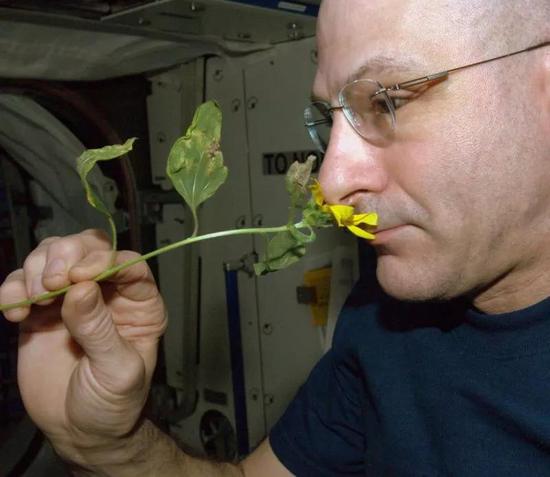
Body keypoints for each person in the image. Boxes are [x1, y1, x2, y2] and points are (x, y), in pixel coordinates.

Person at [1, 0, 549, 475]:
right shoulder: (386, 318)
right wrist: (103, 444)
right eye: (327, 119)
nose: (331, 185)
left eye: (387, 101)